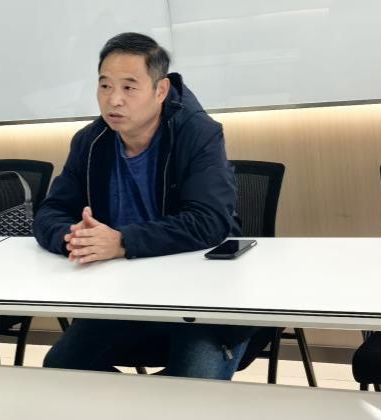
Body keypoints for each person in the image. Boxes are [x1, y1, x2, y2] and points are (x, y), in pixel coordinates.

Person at [35, 32, 253, 377]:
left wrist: (121, 242)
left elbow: (209, 221)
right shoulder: (91, 142)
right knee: (63, 369)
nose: (114, 100)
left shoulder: (198, 133)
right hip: (124, 293)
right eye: (105, 86)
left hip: (202, 297)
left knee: (192, 385)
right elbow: (50, 212)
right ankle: (133, 414)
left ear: (161, 90)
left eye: (129, 87)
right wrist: (75, 239)